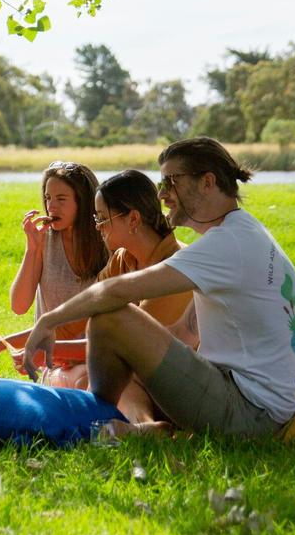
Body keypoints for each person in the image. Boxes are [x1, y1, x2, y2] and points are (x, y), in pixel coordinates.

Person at [23, 137, 295, 438]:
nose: (162, 194)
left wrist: (49, 320)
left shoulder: (226, 244)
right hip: (257, 402)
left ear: (207, 182)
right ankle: (137, 427)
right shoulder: (241, 233)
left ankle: (96, 418)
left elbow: (117, 292)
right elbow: (186, 332)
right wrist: (137, 354)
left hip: (250, 413)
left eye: (172, 182)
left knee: (110, 317)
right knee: (128, 362)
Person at [20, 169, 192, 424]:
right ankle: (143, 426)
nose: (97, 227)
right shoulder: (123, 259)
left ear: (133, 219)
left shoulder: (175, 269)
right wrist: (4, 344)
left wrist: (50, 350)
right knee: (84, 379)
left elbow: (128, 346)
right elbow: (75, 318)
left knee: (98, 377)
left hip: (182, 385)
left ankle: (139, 425)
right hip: (141, 377)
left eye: (102, 219)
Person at [0, 161, 108, 367]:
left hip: (94, 359)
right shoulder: (45, 240)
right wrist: (33, 249)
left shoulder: (107, 242)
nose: (51, 206)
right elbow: (19, 306)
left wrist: (0, 345)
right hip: (53, 362)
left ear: (83, 202)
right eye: (47, 198)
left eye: (61, 199)